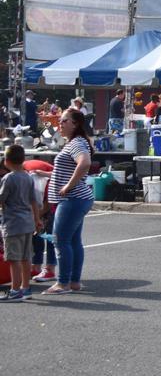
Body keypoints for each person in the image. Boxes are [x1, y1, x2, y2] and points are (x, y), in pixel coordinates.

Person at [44, 108, 94, 295]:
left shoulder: (77, 143)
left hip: (73, 198)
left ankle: (63, 283)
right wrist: (48, 174)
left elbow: (85, 163)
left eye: (65, 121)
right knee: (73, 241)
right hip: (77, 198)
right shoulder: (74, 143)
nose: (60, 123)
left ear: (76, 124)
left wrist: (67, 187)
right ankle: (73, 282)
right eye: (61, 120)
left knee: (61, 240)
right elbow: (68, 169)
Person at [0, 144, 42, 301]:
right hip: (27, 222)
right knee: (26, 258)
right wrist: (37, 219)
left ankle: (15, 290)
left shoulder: (8, 178)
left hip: (12, 223)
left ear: (7, 161)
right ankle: (25, 288)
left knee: (13, 259)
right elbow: (34, 200)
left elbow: (1, 198)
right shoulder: (27, 177)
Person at [24, 158, 56, 284]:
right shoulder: (18, 176)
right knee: (36, 235)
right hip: (40, 201)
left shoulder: (38, 178)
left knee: (50, 236)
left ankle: (50, 268)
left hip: (55, 201)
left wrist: (36, 217)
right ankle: (35, 266)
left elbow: (49, 202)